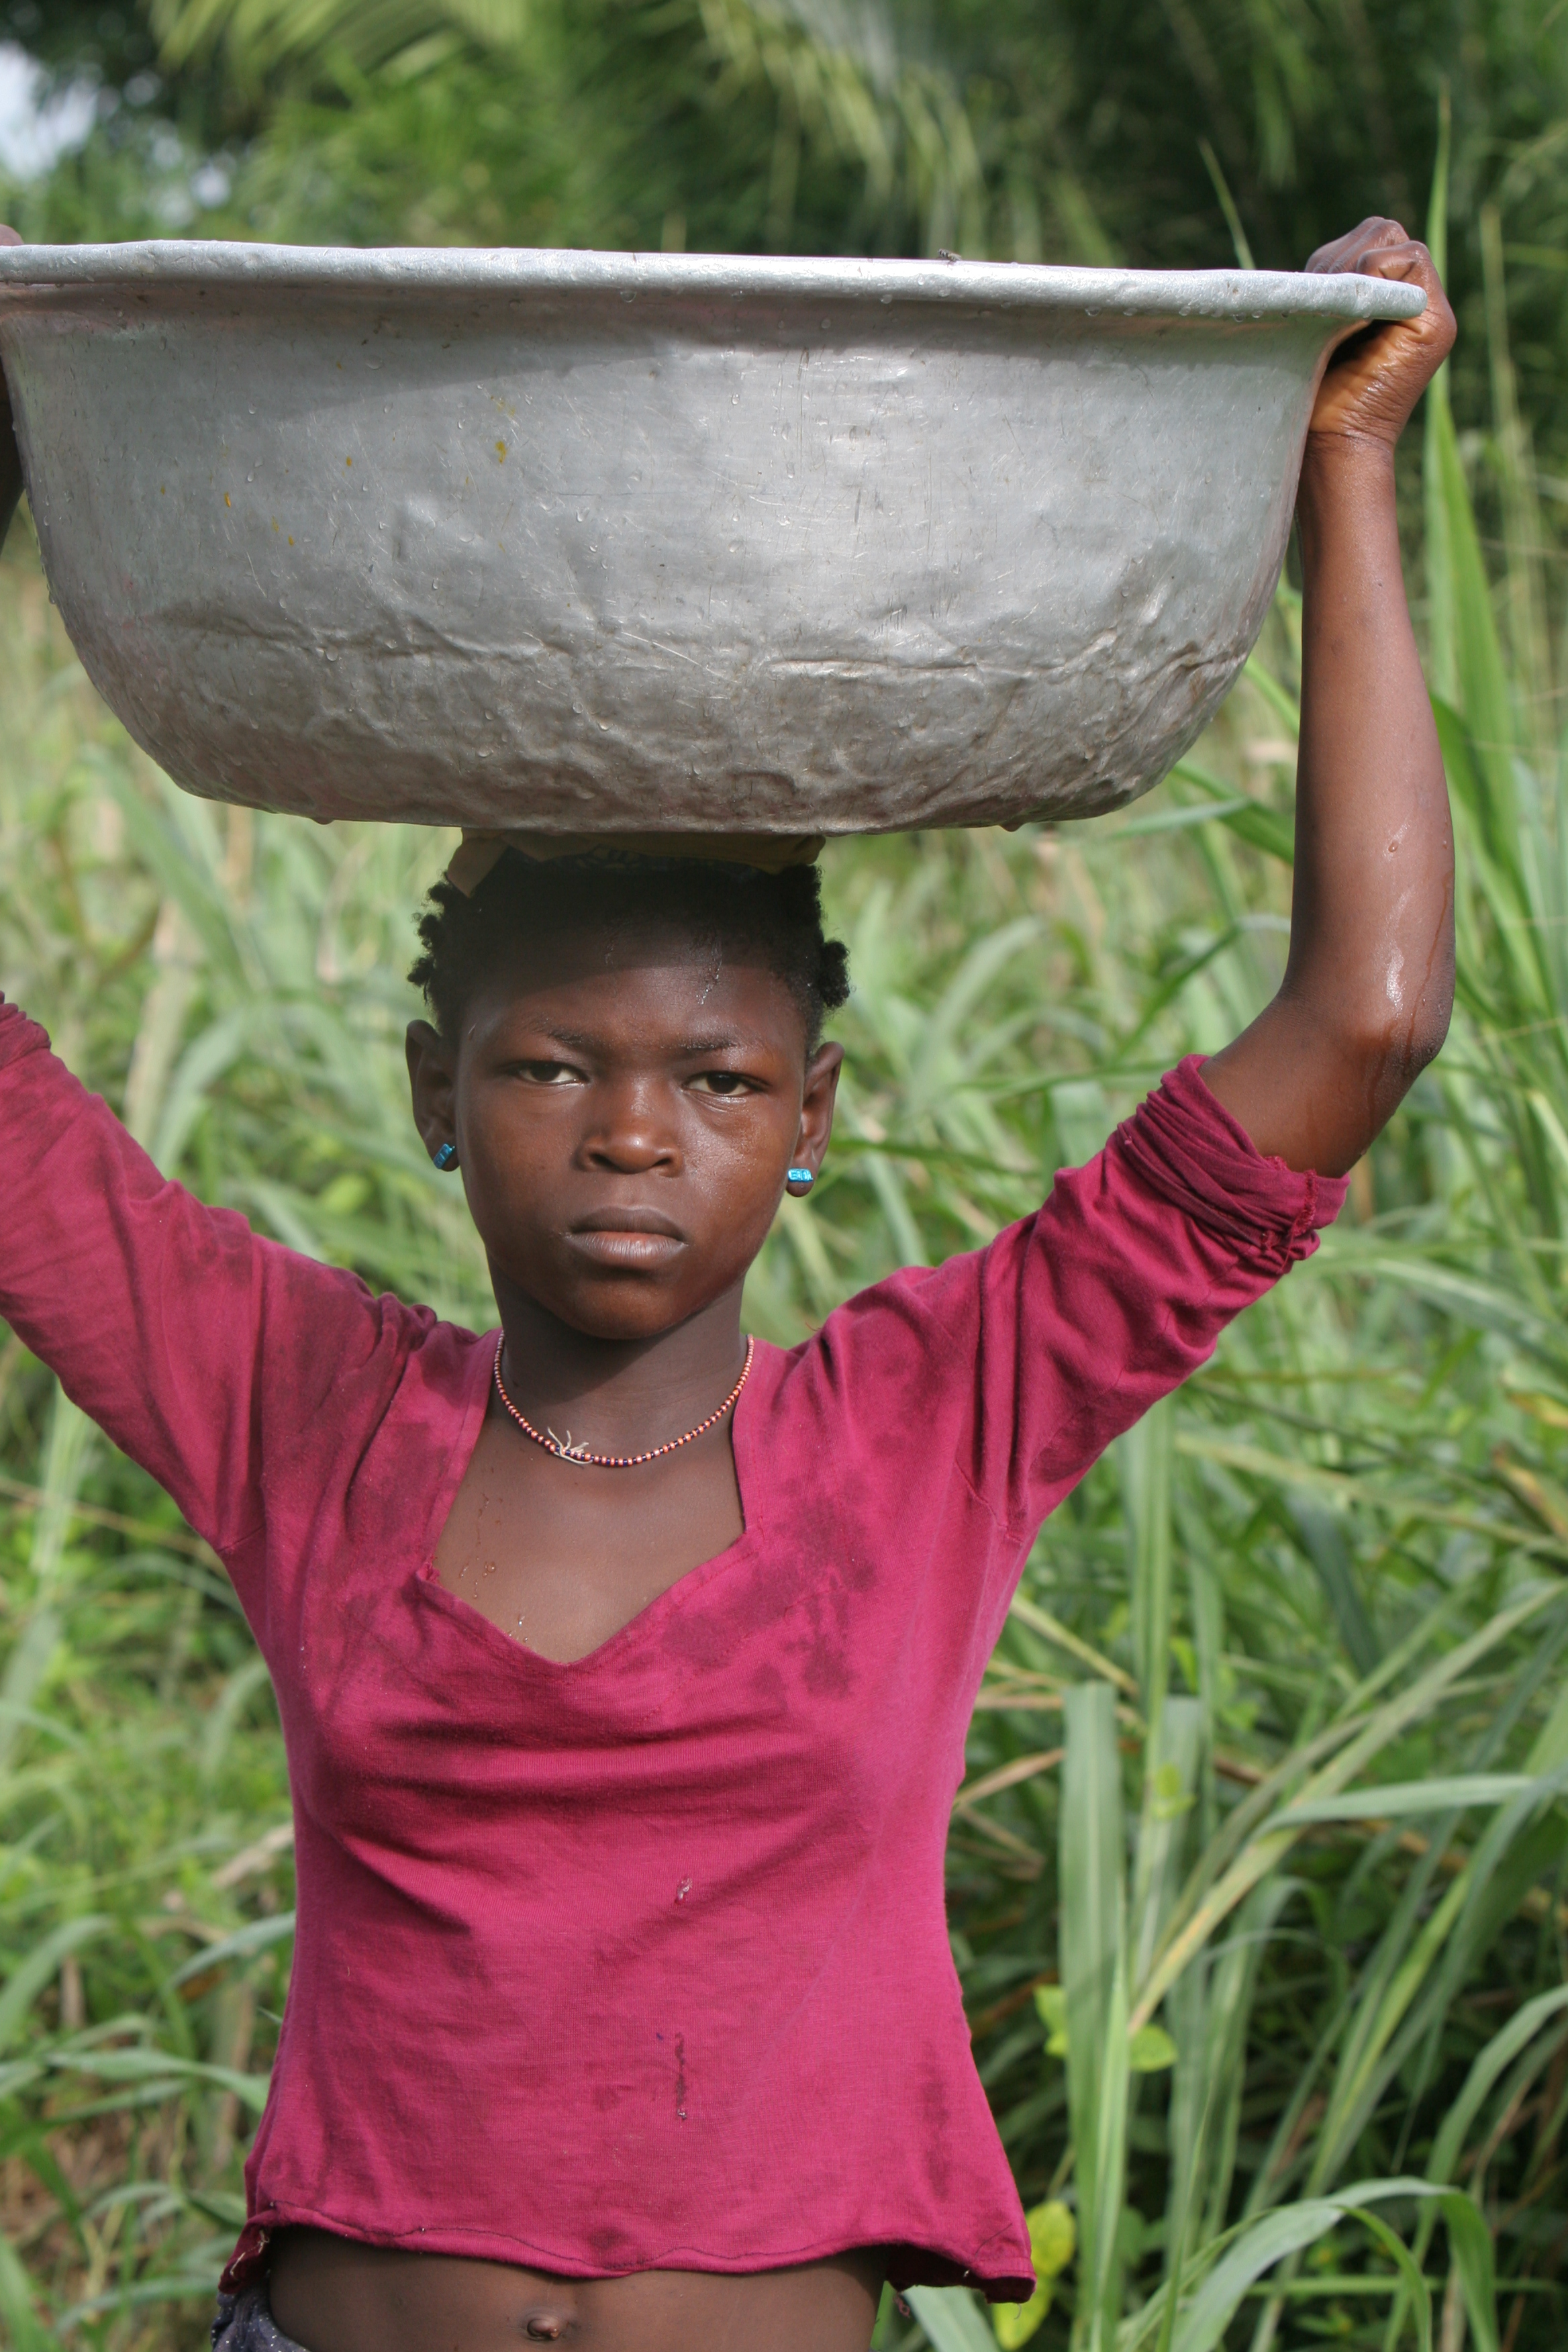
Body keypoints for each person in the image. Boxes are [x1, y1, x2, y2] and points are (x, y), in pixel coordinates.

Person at [0, 217, 1455, 2352]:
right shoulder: (294, 1405)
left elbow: (1369, 1016)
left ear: (815, 1110)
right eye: (551, 1066)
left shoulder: (944, 1419)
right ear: (439, 1083)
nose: (629, 1136)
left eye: (718, 1076)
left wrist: (1343, 471)